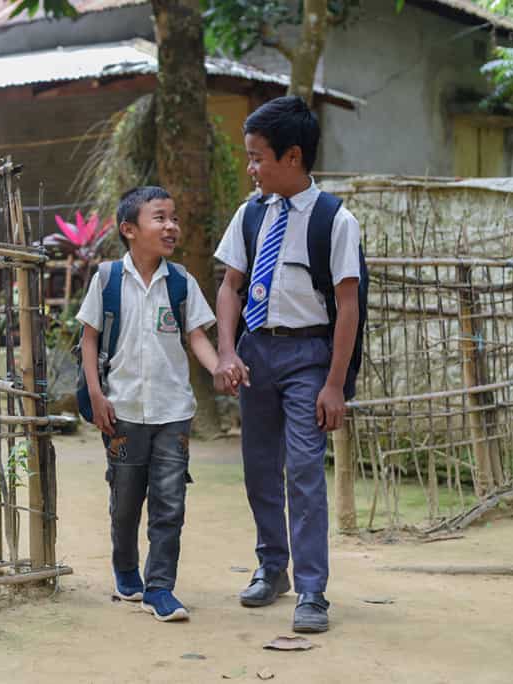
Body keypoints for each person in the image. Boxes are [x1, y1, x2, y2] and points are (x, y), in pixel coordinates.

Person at [213, 96, 362, 633]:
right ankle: (272, 567)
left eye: (257, 157)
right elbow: (230, 286)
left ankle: (313, 591)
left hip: (308, 358)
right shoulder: (250, 214)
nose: (251, 168)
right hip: (257, 356)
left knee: (302, 471)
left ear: (293, 156)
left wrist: (335, 385)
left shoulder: (334, 220)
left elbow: (348, 305)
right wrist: (228, 351)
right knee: (257, 468)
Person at [76, 186, 225, 622]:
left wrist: (218, 368)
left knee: (169, 503)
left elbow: (197, 335)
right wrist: (98, 395)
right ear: (129, 229)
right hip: (121, 411)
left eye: (173, 218)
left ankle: (160, 588)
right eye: (159, 217)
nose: (171, 226)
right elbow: (89, 341)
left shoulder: (180, 281)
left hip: (172, 412)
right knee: (125, 501)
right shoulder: (106, 279)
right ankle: (126, 567)